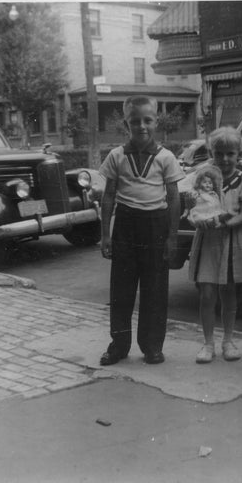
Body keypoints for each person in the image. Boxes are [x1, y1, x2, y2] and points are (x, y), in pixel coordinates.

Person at [98, 96, 184, 366]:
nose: (142, 126)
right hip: (125, 225)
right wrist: (105, 234)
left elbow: (174, 199)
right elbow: (109, 197)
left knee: (155, 290)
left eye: (148, 120)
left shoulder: (166, 157)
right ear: (127, 123)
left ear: (156, 121)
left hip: (156, 226)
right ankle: (119, 345)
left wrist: (172, 237)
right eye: (135, 121)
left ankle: (152, 346)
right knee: (121, 289)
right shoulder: (116, 155)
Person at [188, 126, 242, 363]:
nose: (225, 159)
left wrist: (223, 223)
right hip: (208, 241)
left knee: (229, 293)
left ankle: (228, 340)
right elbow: (195, 208)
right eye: (219, 154)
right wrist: (198, 218)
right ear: (212, 153)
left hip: (231, 240)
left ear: (238, 154)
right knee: (207, 294)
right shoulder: (203, 179)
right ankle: (208, 343)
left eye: (230, 153)